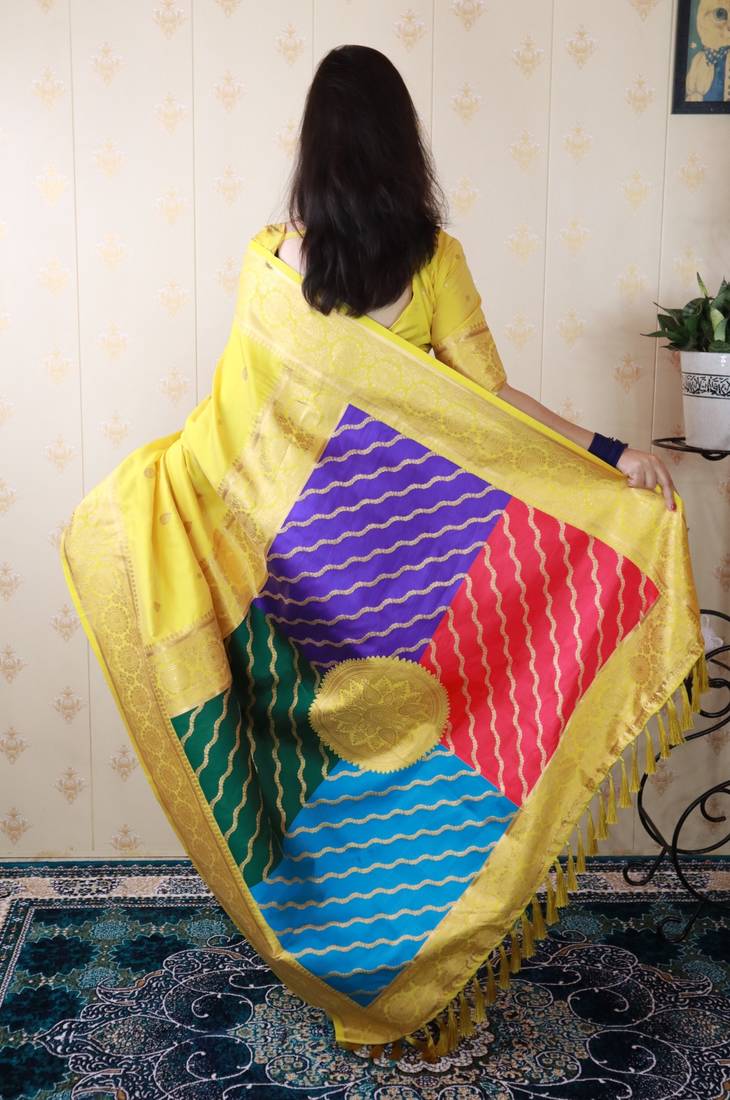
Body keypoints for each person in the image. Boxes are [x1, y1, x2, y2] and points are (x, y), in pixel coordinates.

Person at [259, 42, 676, 512]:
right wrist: (611, 452)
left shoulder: (272, 257)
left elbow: (252, 404)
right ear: (401, 141)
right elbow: (493, 395)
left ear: (313, 147)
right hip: (402, 514)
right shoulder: (434, 257)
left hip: (296, 517)